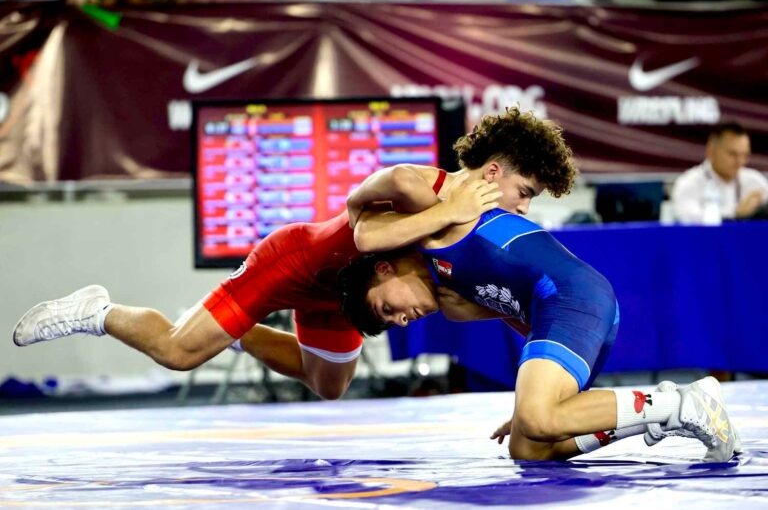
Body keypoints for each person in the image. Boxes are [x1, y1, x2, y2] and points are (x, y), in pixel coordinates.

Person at [12, 107, 575, 402]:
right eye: (525, 194)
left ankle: (238, 330)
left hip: (348, 296)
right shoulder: (412, 184)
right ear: (493, 172)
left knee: (328, 386)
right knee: (178, 353)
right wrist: (442, 215)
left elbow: (509, 307)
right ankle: (96, 311)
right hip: (295, 263)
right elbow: (362, 228)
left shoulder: (476, 228)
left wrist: (544, 387)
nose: (524, 211)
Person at [339, 206, 741, 463]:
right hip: (568, 314)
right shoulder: (455, 303)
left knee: (538, 417)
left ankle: (680, 401)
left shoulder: (437, 230)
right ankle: (658, 416)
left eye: (387, 309)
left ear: (384, 268)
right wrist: (535, 400)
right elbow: (526, 323)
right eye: (397, 323)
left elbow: (380, 195)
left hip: (572, 295)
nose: (403, 319)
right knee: (529, 446)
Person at [671, 121, 768, 224]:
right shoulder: (689, 183)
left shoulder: (755, 181)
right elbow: (689, 220)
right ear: (711, 151)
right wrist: (736, 214)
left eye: (744, 155)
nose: (740, 161)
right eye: (732, 154)